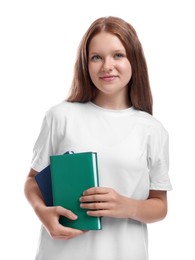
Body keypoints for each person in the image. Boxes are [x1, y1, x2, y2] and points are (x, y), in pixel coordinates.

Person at [24, 16, 172, 260]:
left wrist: (128, 206)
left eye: (118, 55)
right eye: (96, 57)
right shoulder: (60, 116)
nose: (107, 66)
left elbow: (160, 205)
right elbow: (32, 180)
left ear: (134, 60)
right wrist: (42, 212)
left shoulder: (152, 129)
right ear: (85, 63)